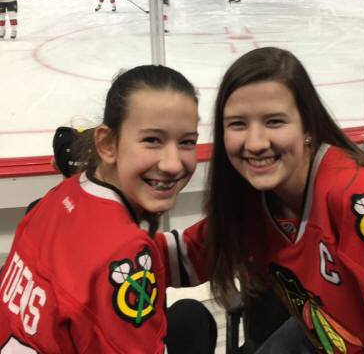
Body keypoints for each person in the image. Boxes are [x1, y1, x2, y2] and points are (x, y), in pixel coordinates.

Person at [168, 47, 364, 353]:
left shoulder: (360, 202)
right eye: (237, 124)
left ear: (308, 128)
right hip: (326, 333)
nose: (256, 143)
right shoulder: (255, 197)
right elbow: (189, 254)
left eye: (274, 121)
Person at [0, 64, 217, 353]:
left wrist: (233, 228)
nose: (173, 163)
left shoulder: (63, 195)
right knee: (192, 320)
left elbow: (121, 261)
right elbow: (118, 262)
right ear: (106, 144)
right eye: (152, 140)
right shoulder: (121, 252)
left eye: (187, 141)